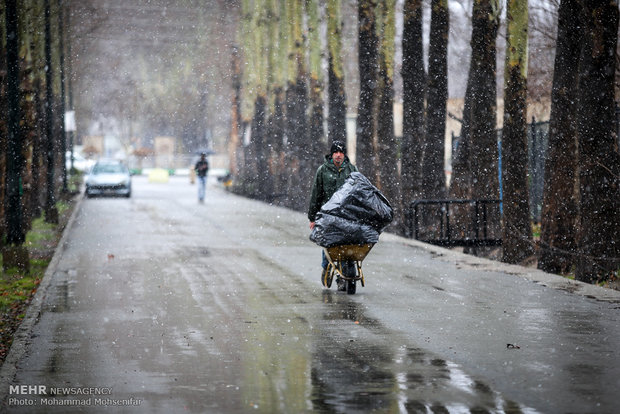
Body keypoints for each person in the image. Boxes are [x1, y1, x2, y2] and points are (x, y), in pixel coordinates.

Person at [308, 140, 358, 290]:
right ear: (331, 154)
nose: (338, 155)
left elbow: (358, 192)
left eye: (341, 152)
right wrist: (312, 217)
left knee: (345, 243)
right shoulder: (323, 171)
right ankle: (327, 266)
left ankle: (343, 274)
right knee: (329, 243)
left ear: (344, 154)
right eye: (335, 152)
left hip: (346, 214)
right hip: (328, 214)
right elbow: (316, 194)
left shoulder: (352, 170)